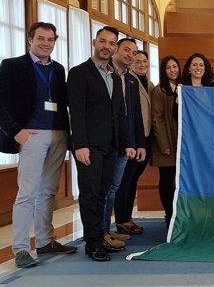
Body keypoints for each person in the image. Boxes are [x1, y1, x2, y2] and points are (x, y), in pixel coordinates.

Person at [0, 22, 76, 268]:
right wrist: (16, 132)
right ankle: (21, 249)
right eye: (41, 39)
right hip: (31, 136)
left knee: (48, 191)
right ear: (30, 39)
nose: (46, 43)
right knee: (27, 193)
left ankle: (45, 241)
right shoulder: (12, 66)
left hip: (57, 135)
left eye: (51, 39)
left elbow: (63, 103)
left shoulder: (59, 68)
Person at [67, 26, 134, 261]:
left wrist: (126, 143)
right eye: (103, 41)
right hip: (89, 146)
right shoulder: (79, 73)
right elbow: (76, 111)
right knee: (90, 194)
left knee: (103, 194)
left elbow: (120, 113)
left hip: (111, 146)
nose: (107, 46)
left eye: (111, 43)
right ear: (94, 42)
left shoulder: (114, 76)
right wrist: (80, 144)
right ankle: (93, 243)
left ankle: (100, 237)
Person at [103, 38, 145, 247]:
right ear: (115, 50)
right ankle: (100, 233)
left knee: (114, 187)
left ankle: (108, 230)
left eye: (134, 52)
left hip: (126, 143)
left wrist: (139, 144)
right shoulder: (105, 75)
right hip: (105, 143)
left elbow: (135, 115)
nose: (130, 55)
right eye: (126, 50)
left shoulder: (131, 80)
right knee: (104, 189)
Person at [114, 50, 154, 235]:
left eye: (145, 61)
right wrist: (135, 142)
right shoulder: (128, 81)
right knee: (125, 181)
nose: (142, 65)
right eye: (137, 61)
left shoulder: (150, 84)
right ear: (130, 63)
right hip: (132, 140)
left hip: (145, 138)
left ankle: (126, 217)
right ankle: (122, 220)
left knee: (131, 180)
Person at [150, 56, 181, 227]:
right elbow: (156, 118)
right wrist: (164, 145)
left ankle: (179, 215)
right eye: (168, 67)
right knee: (167, 180)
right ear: (163, 71)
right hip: (166, 143)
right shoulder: (158, 90)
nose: (172, 70)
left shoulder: (183, 88)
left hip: (181, 142)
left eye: (175, 66)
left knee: (179, 182)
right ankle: (169, 216)